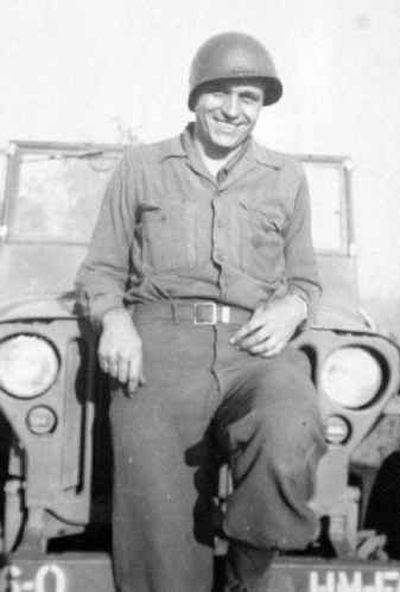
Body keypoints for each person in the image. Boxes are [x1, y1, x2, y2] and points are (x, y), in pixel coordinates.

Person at [76, 31, 327, 592]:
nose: (233, 110)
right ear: (194, 96)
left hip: (254, 349)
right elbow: (100, 269)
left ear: (261, 107)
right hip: (158, 350)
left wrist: (293, 303)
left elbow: (306, 278)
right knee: (158, 524)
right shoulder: (141, 167)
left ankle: (244, 577)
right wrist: (114, 320)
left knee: (293, 423)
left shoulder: (286, 177)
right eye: (220, 93)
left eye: (249, 98)